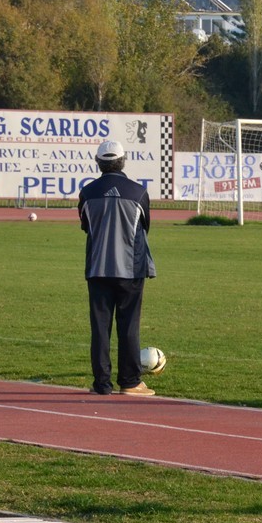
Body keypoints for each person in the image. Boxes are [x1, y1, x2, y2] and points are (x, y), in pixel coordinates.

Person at [79, 140, 157, 396]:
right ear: (123, 161)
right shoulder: (138, 192)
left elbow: (86, 226)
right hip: (131, 268)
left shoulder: (87, 192)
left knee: (100, 328)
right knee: (129, 326)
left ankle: (101, 384)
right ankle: (130, 381)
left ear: (98, 162)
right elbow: (144, 227)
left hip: (98, 268)